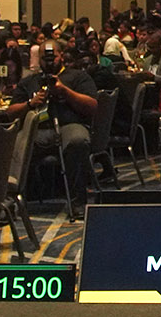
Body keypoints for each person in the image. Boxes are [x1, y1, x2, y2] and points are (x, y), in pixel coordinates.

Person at [7, 42, 100, 211]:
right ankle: (9, 202)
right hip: (38, 129)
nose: (50, 62)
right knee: (13, 145)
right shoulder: (30, 81)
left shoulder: (78, 77)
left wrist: (65, 91)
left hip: (69, 124)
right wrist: (30, 104)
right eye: (45, 58)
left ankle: (78, 201)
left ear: (61, 56)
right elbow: (11, 112)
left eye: (53, 57)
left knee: (78, 141)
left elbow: (92, 106)